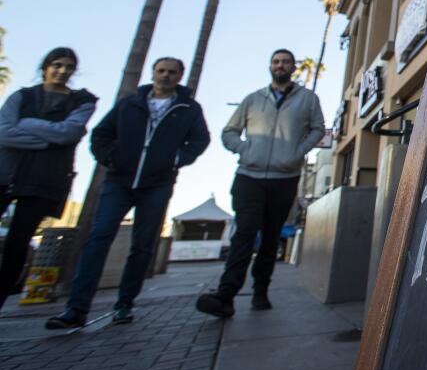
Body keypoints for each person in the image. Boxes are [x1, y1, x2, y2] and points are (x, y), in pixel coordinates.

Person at [46, 57, 208, 328]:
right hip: (119, 180)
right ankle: (76, 308)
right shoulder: (130, 104)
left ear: (180, 76)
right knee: (98, 238)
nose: (165, 76)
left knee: (143, 245)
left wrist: (176, 159)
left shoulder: (188, 108)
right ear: (153, 73)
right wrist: (111, 158)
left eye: (171, 72)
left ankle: (125, 304)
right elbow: (101, 134)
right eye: (161, 71)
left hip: (157, 183)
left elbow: (200, 140)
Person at [196, 48, 324, 318]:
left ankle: (260, 292)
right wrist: (243, 149)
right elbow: (229, 131)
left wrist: (297, 153)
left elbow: (318, 130)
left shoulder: (308, 99)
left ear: (293, 67)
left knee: (270, 237)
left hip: (285, 178)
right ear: (270, 66)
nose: (281, 65)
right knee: (244, 233)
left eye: (286, 62)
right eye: (276, 62)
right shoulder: (253, 99)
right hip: (249, 177)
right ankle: (226, 295)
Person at [0, 48, 97, 312]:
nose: (62, 71)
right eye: (57, 65)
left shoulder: (82, 101)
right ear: (45, 67)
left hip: (43, 180)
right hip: (6, 174)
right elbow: (3, 132)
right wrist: (47, 141)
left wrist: (27, 124)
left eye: (68, 67)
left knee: (18, 244)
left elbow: (68, 133)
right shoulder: (21, 96)